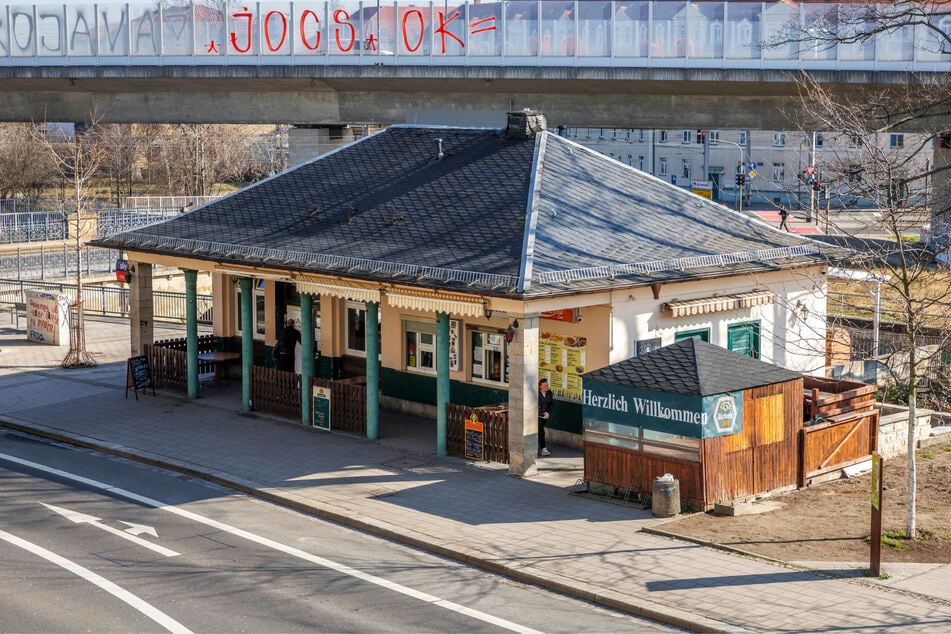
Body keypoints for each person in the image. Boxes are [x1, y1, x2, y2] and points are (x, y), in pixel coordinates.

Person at [537, 378, 553, 456]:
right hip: (537, 416)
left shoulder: (549, 393)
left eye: (547, 385)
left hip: (545, 416)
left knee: (539, 431)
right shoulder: (536, 394)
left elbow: (551, 405)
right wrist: (540, 413)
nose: (547, 387)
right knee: (541, 431)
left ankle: (536, 446)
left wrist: (548, 413)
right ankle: (543, 449)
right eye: (545, 386)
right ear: (540, 386)